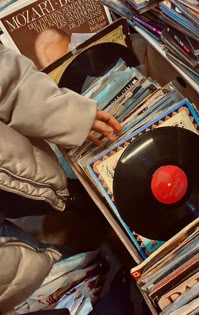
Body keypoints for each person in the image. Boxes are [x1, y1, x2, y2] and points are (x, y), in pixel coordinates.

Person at [0, 42, 122, 311]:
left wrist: (69, 114)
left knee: (41, 199)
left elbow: (7, 79)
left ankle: (73, 201)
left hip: (12, 176)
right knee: (32, 264)